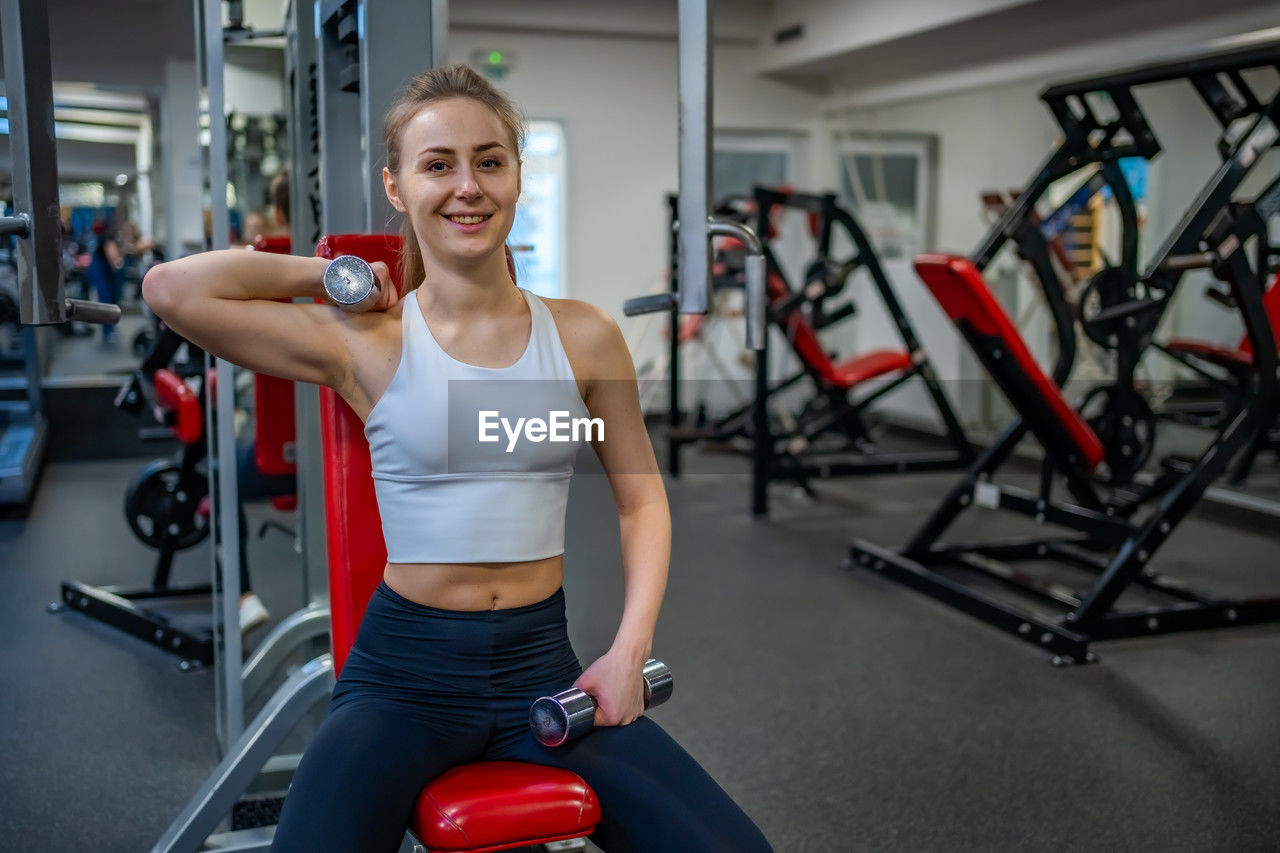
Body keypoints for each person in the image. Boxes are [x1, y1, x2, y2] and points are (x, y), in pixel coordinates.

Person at [142, 64, 772, 852]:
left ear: (516, 175)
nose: (466, 186)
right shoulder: (367, 342)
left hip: (544, 668)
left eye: (489, 161)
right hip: (403, 678)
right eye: (437, 165)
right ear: (397, 188)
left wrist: (627, 650)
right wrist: (331, 273)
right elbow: (171, 289)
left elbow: (642, 499)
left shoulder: (583, 336)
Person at [86, 219, 124, 343]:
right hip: (100, 269)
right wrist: (117, 262)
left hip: (107, 269)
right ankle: (107, 331)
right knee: (106, 299)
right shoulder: (104, 238)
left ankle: (109, 327)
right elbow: (112, 253)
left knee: (113, 298)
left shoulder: (112, 237)